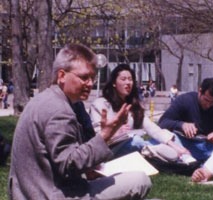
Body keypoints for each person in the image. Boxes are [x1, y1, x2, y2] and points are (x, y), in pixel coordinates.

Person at [8, 44, 151, 199]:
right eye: (84, 77)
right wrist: (105, 135)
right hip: (53, 194)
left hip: (33, 191)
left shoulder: (45, 99)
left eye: (92, 77)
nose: (89, 83)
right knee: (140, 180)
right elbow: (69, 165)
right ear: (61, 76)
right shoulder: (59, 110)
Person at [90, 64, 189, 158]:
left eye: (130, 79)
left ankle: (173, 153)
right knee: (137, 141)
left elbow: (152, 128)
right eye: (123, 79)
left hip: (131, 146)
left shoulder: (133, 106)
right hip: (110, 149)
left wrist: (175, 146)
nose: (128, 83)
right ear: (114, 83)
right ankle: (156, 152)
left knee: (171, 138)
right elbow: (96, 136)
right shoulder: (100, 104)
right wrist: (116, 132)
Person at [158, 77, 213, 161]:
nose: (208, 105)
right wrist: (181, 125)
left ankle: (187, 159)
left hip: (208, 146)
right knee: (164, 138)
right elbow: (162, 123)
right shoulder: (185, 100)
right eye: (206, 100)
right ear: (200, 91)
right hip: (182, 142)